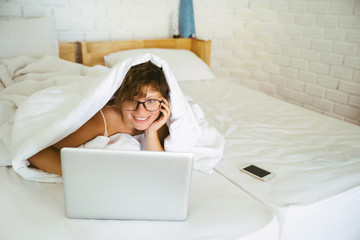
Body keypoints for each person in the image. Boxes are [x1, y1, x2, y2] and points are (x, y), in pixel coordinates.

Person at [28, 61, 171, 176]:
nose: (141, 111)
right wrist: (84, 174)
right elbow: (37, 153)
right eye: (131, 100)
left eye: (151, 101)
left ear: (164, 102)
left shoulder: (160, 120)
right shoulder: (102, 121)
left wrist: (151, 133)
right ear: (121, 98)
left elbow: (160, 169)